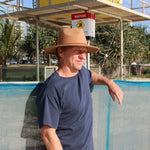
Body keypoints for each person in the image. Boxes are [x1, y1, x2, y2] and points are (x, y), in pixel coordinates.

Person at [36, 28, 123, 150]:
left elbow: (92, 76)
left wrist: (108, 82)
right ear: (61, 52)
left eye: (84, 52)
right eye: (77, 51)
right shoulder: (52, 88)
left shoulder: (81, 73)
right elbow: (48, 134)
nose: (83, 57)